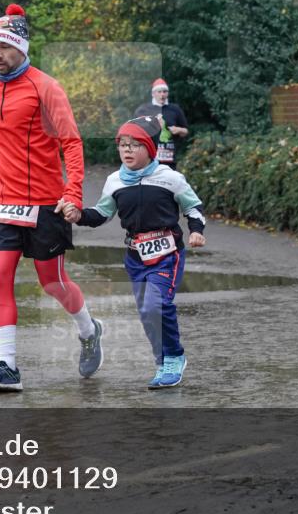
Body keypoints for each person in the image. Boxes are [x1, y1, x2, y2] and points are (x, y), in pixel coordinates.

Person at [0, 3, 102, 393]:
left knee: (52, 283)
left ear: (21, 47)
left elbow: (71, 143)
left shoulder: (46, 87)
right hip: (3, 199)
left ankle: (88, 329)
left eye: (4, 47)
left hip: (45, 203)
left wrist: (72, 193)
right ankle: (8, 367)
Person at [62, 115, 206, 389]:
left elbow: (192, 207)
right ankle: (163, 362)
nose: (127, 150)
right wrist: (78, 215)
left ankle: (174, 357)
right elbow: (102, 214)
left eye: (134, 145)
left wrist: (196, 230)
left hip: (167, 253)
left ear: (149, 149)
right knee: (147, 313)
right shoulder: (115, 181)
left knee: (157, 304)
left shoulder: (170, 178)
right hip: (136, 256)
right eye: (122, 145)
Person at [133, 78, 189, 169]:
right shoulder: (143, 110)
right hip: (149, 159)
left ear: (168, 93)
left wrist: (178, 130)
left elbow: (185, 131)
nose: (162, 95)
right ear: (153, 94)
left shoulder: (175, 109)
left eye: (164, 91)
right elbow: (134, 132)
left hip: (169, 159)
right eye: (159, 92)